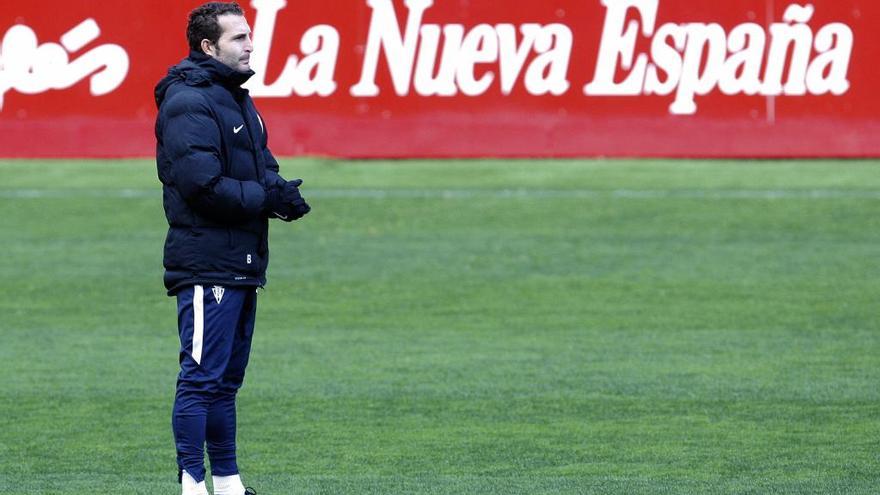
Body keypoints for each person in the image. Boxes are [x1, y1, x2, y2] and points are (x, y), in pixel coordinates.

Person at [154, 2, 310, 494]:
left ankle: (227, 483)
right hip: (207, 263)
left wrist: (281, 192)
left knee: (225, 383)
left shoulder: (234, 96)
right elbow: (202, 185)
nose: (250, 44)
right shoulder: (188, 101)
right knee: (201, 379)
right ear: (209, 46)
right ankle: (191, 484)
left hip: (241, 260)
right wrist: (265, 196)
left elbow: (257, 165)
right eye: (238, 37)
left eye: (249, 35)